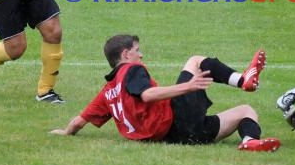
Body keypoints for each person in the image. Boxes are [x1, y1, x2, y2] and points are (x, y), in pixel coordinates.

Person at [50, 34, 281, 152]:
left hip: (179, 138)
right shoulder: (130, 70)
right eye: (137, 51)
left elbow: (79, 122)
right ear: (124, 54)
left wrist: (64, 132)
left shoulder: (107, 93)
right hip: (175, 122)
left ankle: (250, 141)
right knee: (196, 60)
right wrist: (186, 87)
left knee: (246, 111)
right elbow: (147, 95)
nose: (140, 56)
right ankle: (243, 81)